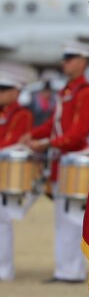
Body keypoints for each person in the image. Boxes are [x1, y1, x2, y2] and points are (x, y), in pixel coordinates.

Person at [26, 44, 89, 283]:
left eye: (70, 58)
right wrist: (33, 135)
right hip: (62, 160)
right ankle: (64, 269)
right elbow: (54, 123)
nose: (65, 63)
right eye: (65, 59)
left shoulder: (85, 92)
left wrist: (48, 144)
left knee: (73, 217)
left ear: (83, 62)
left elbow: (78, 132)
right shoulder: (68, 90)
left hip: (76, 161)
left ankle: (73, 271)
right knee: (62, 218)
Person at [0, 68, 34, 281]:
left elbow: (12, 140)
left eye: (5, 89)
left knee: (3, 220)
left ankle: (4, 270)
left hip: (9, 172)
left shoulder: (21, 114)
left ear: (17, 91)